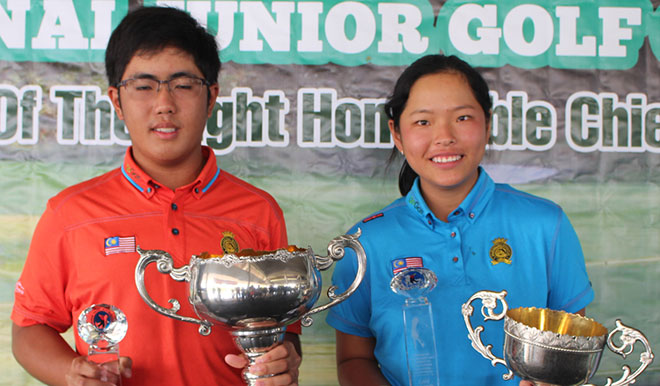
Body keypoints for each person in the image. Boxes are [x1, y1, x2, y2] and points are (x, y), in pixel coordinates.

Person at [11, 6, 301, 386]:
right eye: (144, 86)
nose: (164, 103)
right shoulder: (70, 213)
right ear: (116, 100)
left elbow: (285, 332)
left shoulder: (258, 212)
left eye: (182, 84)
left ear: (211, 96)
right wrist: (71, 373)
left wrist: (286, 359)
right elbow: (30, 329)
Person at [325, 54, 593, 385]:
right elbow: (354, 358)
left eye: (463, 117)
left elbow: (569, 350)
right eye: (423, 122)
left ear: (488, 123)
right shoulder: (365, 242)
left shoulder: (544, 225)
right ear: (397, 133)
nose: (445, 137)